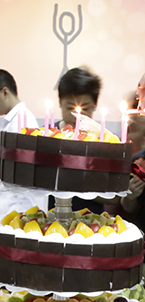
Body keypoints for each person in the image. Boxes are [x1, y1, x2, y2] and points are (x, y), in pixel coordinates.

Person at [0, 68, 46, 221]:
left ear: (4, 92)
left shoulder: (22, 121)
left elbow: (20, 167)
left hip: (18, 208)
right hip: (11, 207)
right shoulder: (14, 120)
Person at [54, 67, 104, 214]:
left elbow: (112, 196)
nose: (77, 116)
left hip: (92, 220)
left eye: (85, 109)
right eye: (70, 108)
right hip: (53, 220)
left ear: (95, 106)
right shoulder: (47, 137)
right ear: (60, 102)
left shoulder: (104, 142)